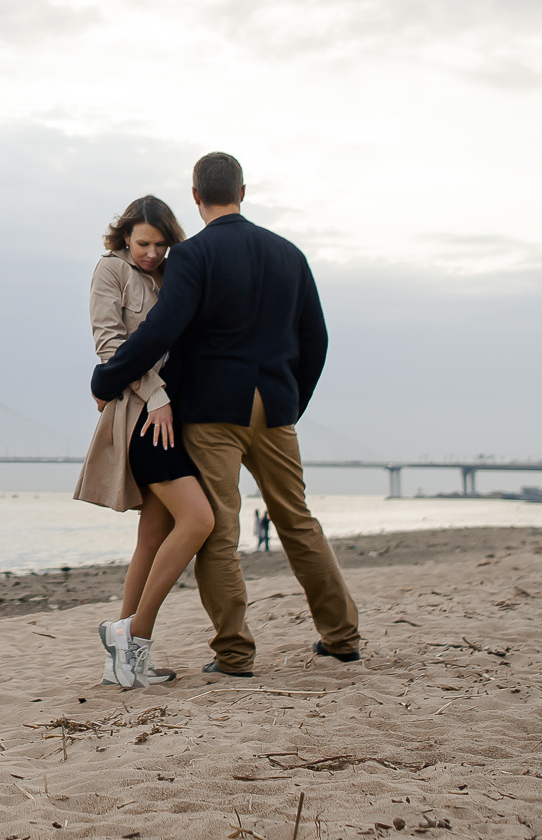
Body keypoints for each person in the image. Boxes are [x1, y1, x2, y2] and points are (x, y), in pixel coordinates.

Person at [91, 152, 360, 677]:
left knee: (220, 532)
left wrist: (107, 376)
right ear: (243, 190)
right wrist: (289, 402)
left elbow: (161, 330)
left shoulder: (193, 256)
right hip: (277, 408)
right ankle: (342, 637)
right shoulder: (290, 255)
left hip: (215, 412)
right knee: (298, 521)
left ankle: (235, 653)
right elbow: (316, 340)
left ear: (196, 196)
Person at [73, 194, 216, 688]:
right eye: (142, 244)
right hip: (143, 415)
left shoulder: (175, 273)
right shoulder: (110, 270)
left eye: (159, 244)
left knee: (153, 536)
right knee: (198, 520)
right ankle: (131, 631)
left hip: (175, 412)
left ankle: (125, 661)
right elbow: (109, 343)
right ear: (125, 237)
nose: (151, 254)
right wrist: (154, 394)